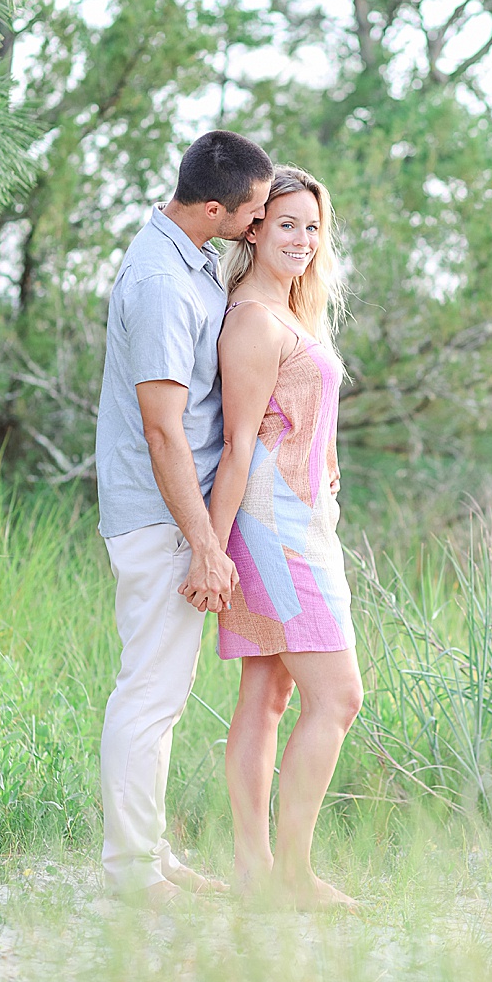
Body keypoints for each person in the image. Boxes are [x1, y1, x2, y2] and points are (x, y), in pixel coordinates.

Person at [95, 129, 273, 909]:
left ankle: (151, 855)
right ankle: (131, 872)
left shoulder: (186, 258)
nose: (262, 223)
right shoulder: (163, 282)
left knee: (161, 689)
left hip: (176, 516)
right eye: (257, 212)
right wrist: (203, 543)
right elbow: (163, 428)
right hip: (163, 518)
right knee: (150, 691)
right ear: (213, 207)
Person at [182, 165, 363, 909]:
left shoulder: (290, 312)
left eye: (312, 226)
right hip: (273, 529)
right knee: (339, 696)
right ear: (254, 229)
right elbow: (237, 445)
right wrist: (213, 549)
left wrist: (327, 465)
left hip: (301, 517)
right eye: (287, 222)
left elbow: (293, 422)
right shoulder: (254, 319)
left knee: (269, 691)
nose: (302, 238)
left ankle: (257, 872)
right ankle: (290, 872)